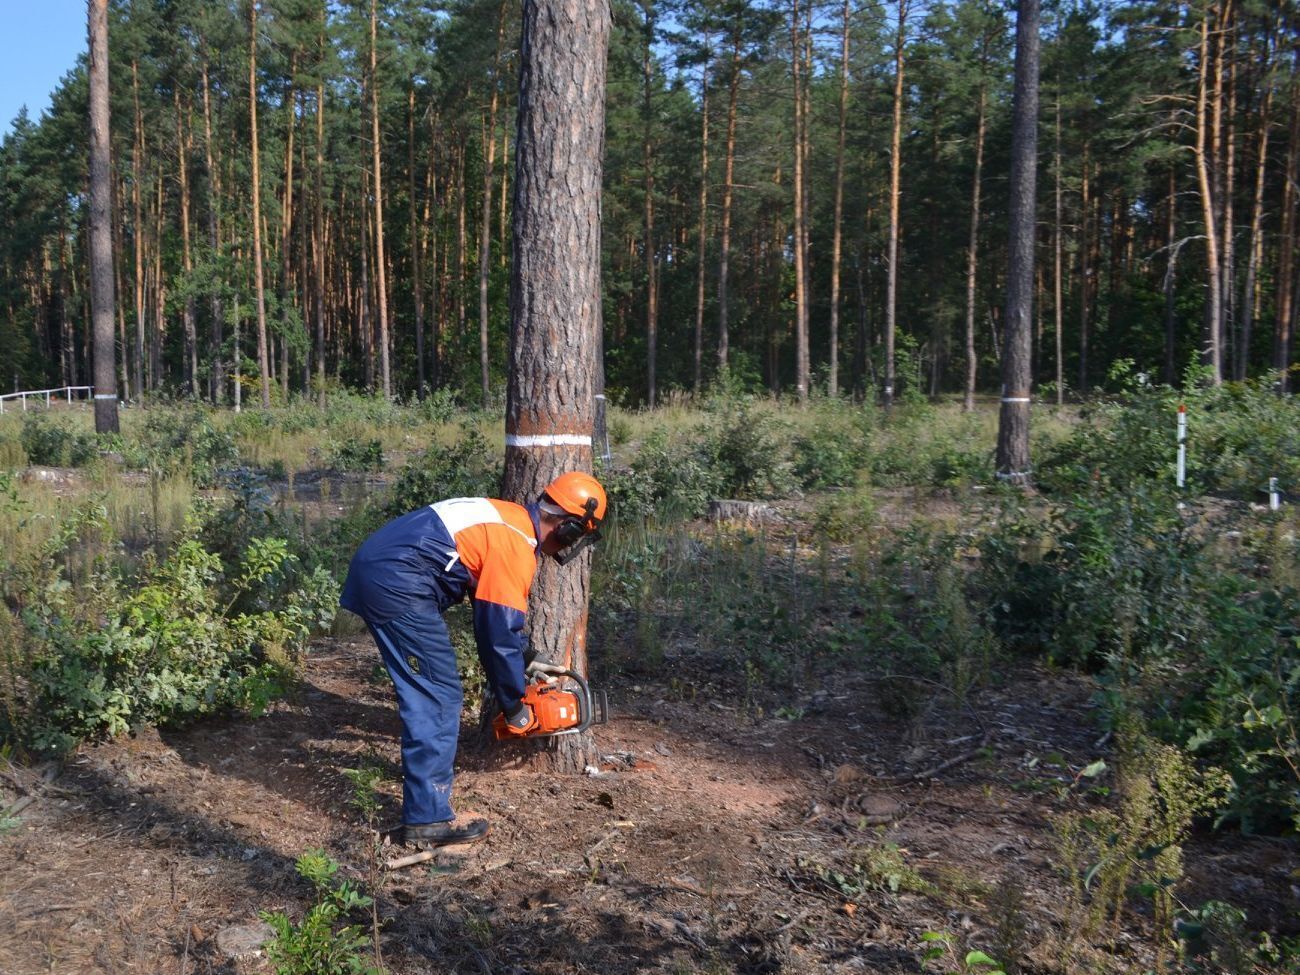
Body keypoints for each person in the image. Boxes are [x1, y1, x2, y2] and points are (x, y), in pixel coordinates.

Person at [339, 471, 607, 849]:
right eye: (576, 536)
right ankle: (427, 820)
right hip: (397, 581)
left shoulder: (509, 519)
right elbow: (496, 633)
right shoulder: (516, 543)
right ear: (568, 527)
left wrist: (525, 655)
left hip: (383, 569)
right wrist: (515, 706)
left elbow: (491, 611)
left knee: (432, 690)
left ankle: (426, 808)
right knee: (437, 695)